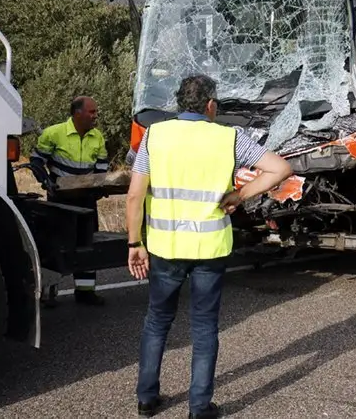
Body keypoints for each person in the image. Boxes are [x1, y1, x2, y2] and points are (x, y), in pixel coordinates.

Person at [124, 75, 293, 419]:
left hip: (165, 247)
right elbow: (280, 168)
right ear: (211, 106)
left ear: (179, 103)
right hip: (209, 249)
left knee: (157, 320)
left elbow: (134, 195)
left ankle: (146, 398)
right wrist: (240, 195)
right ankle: (199, 407)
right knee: (204, 328)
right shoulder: (229, 137)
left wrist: (134, 242)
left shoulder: (155, 135)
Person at [29, 95, 110, 306]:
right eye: (91, 112)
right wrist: (45, 181)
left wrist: (102, 186)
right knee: (55, 244)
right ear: (77, 113)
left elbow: (102, 165)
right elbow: (36, 160)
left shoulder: (97, 137)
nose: (95, 116)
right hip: (60, 201)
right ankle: (48, 292)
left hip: (87, 200)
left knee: (86, 244)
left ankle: (85, 291)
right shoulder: (54, 133)